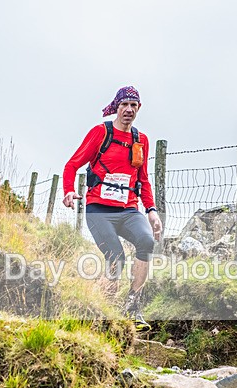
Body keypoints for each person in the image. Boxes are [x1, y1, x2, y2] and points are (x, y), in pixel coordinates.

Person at [63, 86, 162, 330]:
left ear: (139, 108)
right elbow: (72, 165)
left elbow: (143, 179)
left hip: (128, 210)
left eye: (133, 105)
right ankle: (101, 311)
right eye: (124, 105)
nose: (128, 109)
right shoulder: (101, 133)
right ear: (116, 107)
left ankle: (132, 308)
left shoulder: (141, 140)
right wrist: (68, 190)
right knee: (116, 256)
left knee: (146, 241)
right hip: (99, 209)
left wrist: (151, 210)